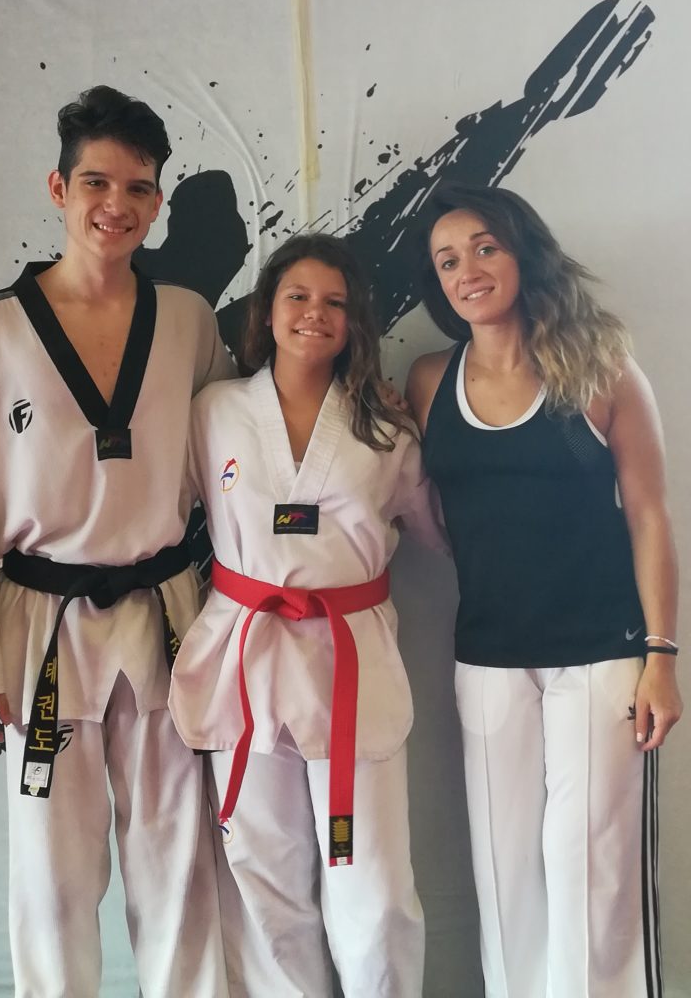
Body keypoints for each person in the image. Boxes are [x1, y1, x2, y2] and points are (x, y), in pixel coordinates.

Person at [0, 85, 233, 997]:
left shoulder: (189, 321)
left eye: (138, 188)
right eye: (96, 182)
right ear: (58, 188)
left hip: (167, 618)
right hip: (40, 627)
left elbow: (234, 470)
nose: (116, 205)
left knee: (180, 863)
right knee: (53, 881)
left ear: (159, 203)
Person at [406, 183, 683, 998]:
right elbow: (418, 507)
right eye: (447, 260)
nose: (468, 269)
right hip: (488, 657)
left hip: (600, 655)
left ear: (522, 252)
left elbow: (651, 516)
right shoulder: (428, 380)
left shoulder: (601, 367)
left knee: (589, 865)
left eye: (485, 247)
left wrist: (662, 657)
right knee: (504, 878)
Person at [168, 233, 445, 997]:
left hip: (350, 665)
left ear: (355, 321)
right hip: (245, 659)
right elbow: (155, 513)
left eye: (334, 302)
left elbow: (443, 531)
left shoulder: (385, 428)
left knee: (375, 887)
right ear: (267, 310)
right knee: (264, 874)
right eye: (297, 296)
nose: (314, 314)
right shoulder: (213, 412)